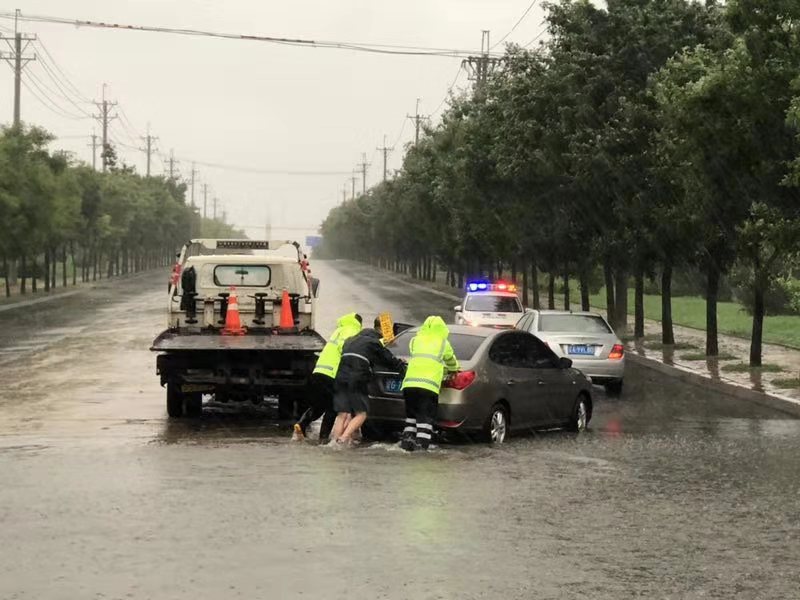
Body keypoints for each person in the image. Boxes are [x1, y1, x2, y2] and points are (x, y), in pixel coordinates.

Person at [330, 318, 406, 446]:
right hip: (357, 377)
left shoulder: (349, 341)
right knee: (361, 413)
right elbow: (388, 359)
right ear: (379, 332)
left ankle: (334, 442)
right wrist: (402, 368)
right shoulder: (374, 342)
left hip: (341, 376)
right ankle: (343, 438)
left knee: (342, 414)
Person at [292, 313, 363, 442]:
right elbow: (347, 352)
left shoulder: (338, 331)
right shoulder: (353, 331)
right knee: (332, 407)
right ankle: (323, 439)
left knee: (319, 404)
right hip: (332, 373)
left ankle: (301, 424)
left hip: (319, 371)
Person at [400, 316, 460, 451]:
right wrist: (453, 369)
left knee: (411, 417)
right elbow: (451, 360)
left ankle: (406, 445)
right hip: (428, 386)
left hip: (409, 385)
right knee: (425, 419)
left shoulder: (415, 340)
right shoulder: (443, 343)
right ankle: (421, 449)